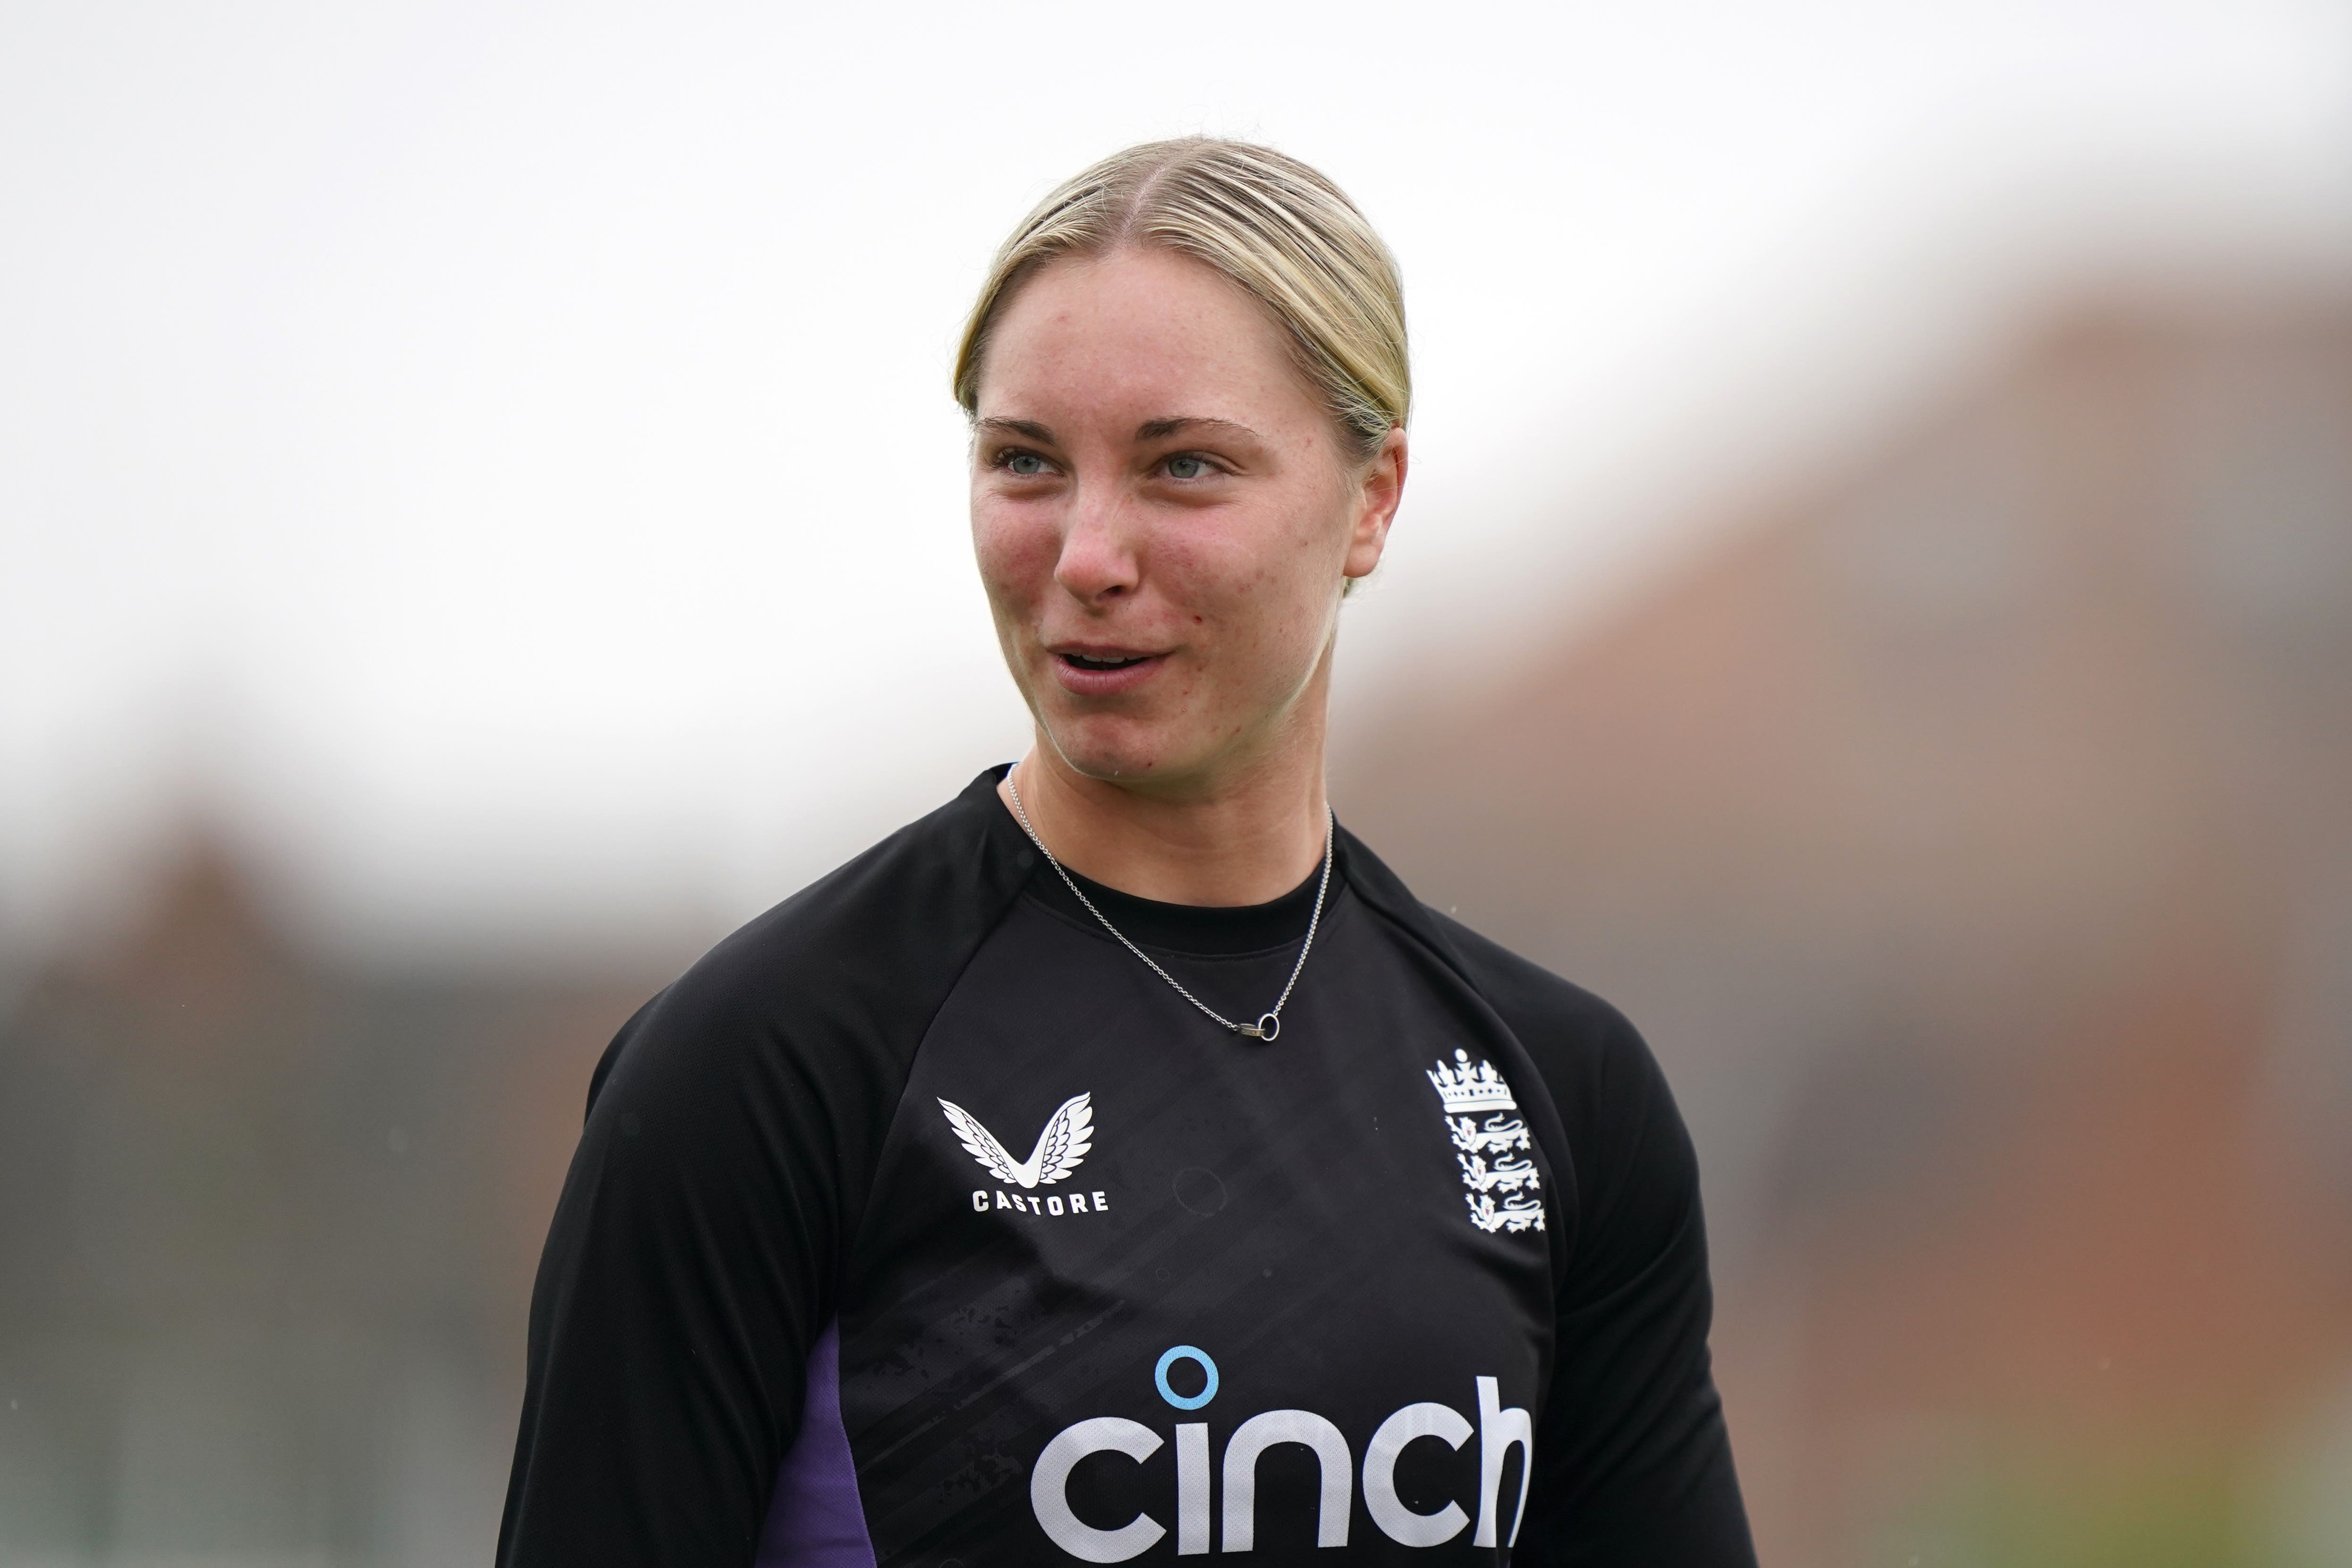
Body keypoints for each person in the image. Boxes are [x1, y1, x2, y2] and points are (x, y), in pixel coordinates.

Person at [498, 137, 1755, 1567]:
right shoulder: (767, 1062)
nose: (1088, 552)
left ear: (1372, 500)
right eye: (1026, 462)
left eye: (1183, 467)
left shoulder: (1559, 1090)